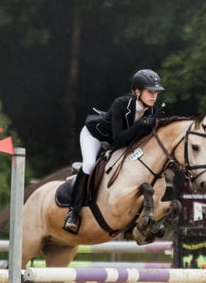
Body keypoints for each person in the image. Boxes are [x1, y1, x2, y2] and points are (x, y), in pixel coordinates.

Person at [63, 69, 165, 233]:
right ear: (137, 91)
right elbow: (118, 139)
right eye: (150, 91)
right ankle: (73, 213)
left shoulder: (152, 111)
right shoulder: (121, 104)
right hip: (95, 136)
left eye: (156, 92)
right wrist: (140, 125)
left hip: (120, 144)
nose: (154, 96)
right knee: (89, 164)